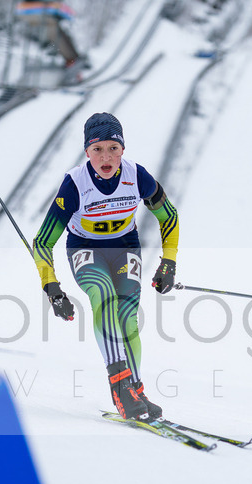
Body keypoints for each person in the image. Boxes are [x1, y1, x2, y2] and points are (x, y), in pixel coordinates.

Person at [32, 112, 180, 421]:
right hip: (85, 248)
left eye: (113, 148)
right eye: (97, 149)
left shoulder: (137, 176)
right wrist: (52, 288)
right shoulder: (75, 184)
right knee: (103, 294)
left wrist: (169, 262)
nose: (106, 157)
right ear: (87, 152)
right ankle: (120, 386)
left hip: (125, 248)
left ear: (123, 149)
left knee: (127, 318)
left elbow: (169, 216)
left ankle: (136, 389)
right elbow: (43, 242)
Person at [16, 1, 83, 69]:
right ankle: (71, 60)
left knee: (58, 28)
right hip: (29, 11)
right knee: (53, 27)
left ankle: (74, 59)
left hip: (41, 11)